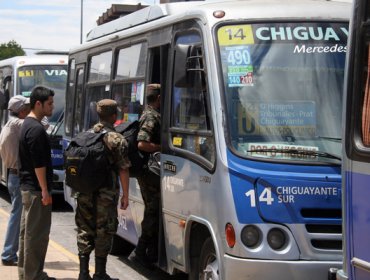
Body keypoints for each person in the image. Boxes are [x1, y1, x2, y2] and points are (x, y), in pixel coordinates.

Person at [75, 99, 130, 280]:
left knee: (84, 229)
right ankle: (100, 273)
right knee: (104, 231)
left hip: (84, 192)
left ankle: (83, 273)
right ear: (114, 116)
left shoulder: (85, 135)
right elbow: (123, 168)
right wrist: (125, 195)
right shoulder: (116, 139)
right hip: (105, 195)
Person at [18, 86, 55, 280]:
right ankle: (34, 275)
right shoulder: (36, 129)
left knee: (27, 235)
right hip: (35, 190)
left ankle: (27, 273)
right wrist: (45, 191)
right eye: (49, 103)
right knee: (37, 236)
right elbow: (38, 164)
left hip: (27, 187)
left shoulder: (27, 124)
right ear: (38, 103)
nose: (52, 107)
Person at [129, 84, 161, 268]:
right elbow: (142, 143)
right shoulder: (150, 116)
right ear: (158, 99)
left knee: (154, 211)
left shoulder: (151, 113)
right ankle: (139, 252)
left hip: (152, 171)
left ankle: (150, 252)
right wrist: (161, 147)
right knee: (152, 211)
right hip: (150, 172)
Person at [0, 95, 31, 266]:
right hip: (18, 176)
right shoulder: (18, 124)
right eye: (28, 107)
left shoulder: (10, 124)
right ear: (21, 111)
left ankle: (10, 253)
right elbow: (44, 125)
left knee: (17, 215)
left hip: (13, 175)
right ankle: (8, 254)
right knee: (17, 216)